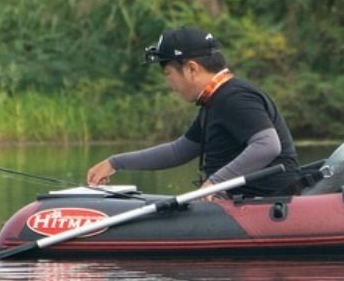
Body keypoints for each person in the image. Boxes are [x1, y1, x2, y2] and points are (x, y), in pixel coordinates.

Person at [86, 27, 302, 197]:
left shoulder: (234, 97)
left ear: (191, 69)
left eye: (169, 74)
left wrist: (215, 183)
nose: (169, 84)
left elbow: (267, 145)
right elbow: (178, 152)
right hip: (237, 204)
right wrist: (116, 162)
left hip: (267, 205)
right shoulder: (215, 100)